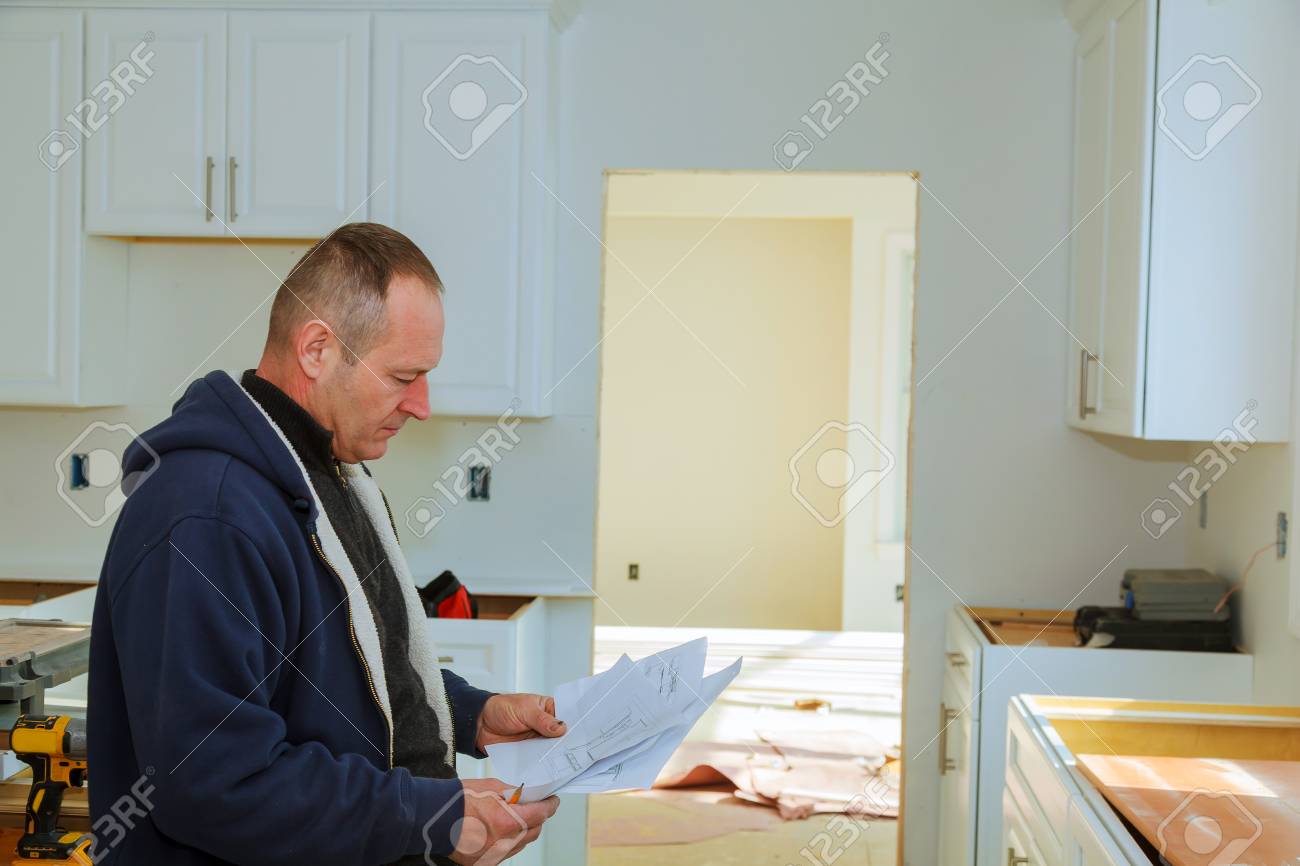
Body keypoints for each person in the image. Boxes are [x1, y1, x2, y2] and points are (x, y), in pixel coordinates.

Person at [88, 223, 562, 866]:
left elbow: (345, 679)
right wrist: (428, 816)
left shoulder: (330, 475)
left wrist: (472, 715)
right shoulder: (208, 515)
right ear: (316, 350)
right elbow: (214, 783)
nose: (422, 405)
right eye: (404, 376)